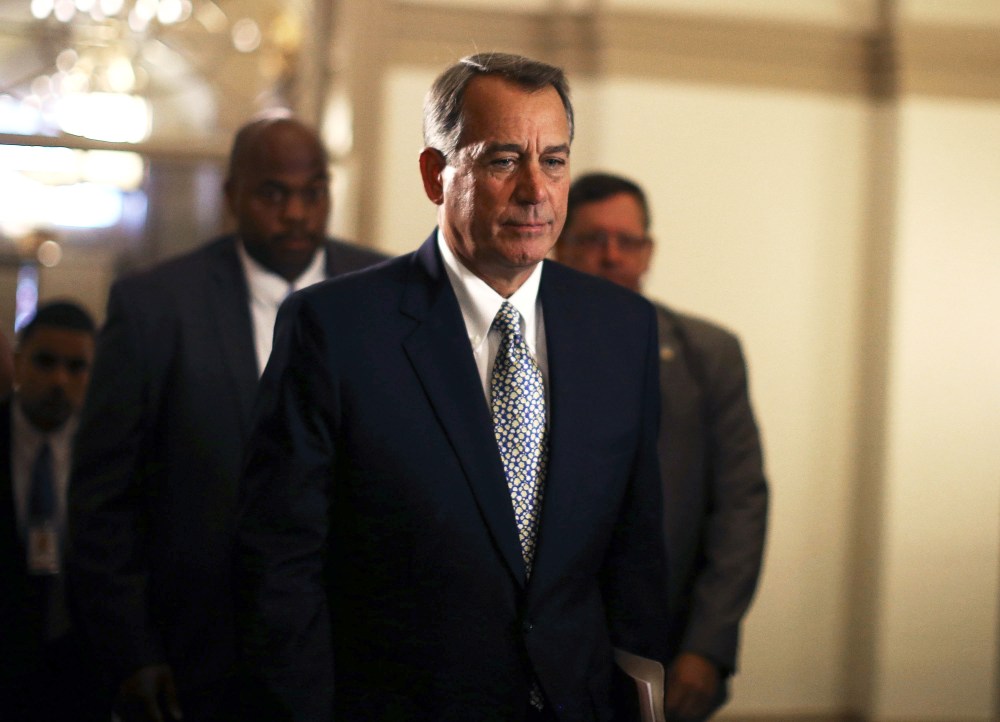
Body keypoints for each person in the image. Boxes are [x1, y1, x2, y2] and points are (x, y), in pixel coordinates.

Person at [235, 53, 670, 721]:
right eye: (503, 160)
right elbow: (279, 567)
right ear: (435, 175)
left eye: (554, 161)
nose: (535, 190)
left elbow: (635, 556)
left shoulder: (623, 328)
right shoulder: (335, 329)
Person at [68, 116, 386, 722]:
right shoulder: (155, 305)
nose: (297, 213)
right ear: (232, 196)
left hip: (355, 654)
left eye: (313, 192)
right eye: (273, 193)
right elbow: (102, 498)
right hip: (200, 656)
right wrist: (132, 651)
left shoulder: (385, 290)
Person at [555, 172, 769, 721]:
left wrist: (708, 646)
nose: (611, 256)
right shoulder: (513, 346)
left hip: (662, 642)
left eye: (627, 241)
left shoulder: (707, 354)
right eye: (593, 239)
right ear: (558, 245)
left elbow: (741, 507)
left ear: (648, 252)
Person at [0, 300, 105, 721]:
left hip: (82, 666)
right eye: (45, 362)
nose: (59, 379)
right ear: (18, 361)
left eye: (76, 367)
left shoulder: (108, 453)